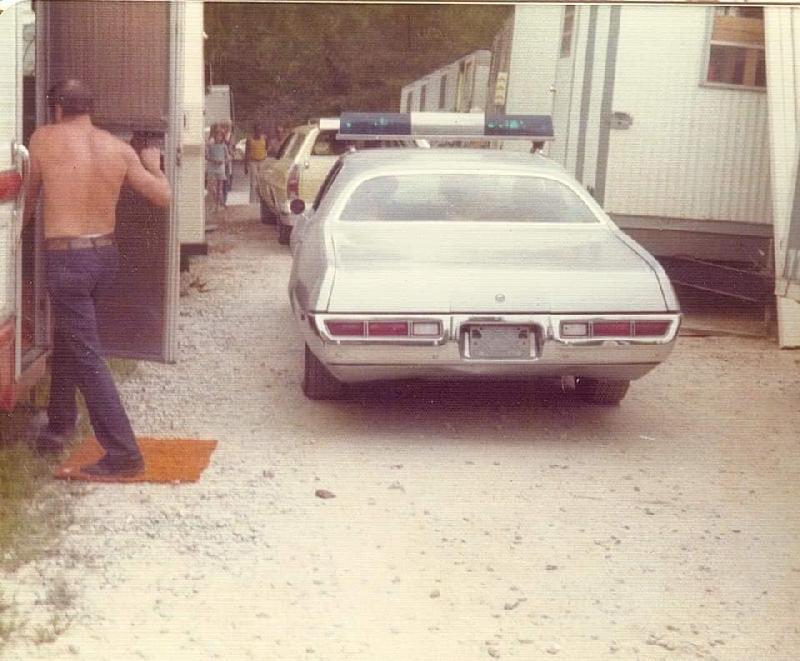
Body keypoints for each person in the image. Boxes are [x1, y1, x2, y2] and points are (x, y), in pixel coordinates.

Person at [22, 79, 171, 477]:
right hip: (105, 257)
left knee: (86, 353)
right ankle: (60, 424)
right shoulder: (118, 149)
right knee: (73, 339)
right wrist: (154, 166)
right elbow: (162, 196)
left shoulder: (42, 140)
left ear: (56, 109)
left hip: (67, 260)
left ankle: (124, 455)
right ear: (90, 109)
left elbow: (27, 203)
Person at [206, 125, 229, 211]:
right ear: (214, 136)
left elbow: (227, 157)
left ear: (222, 137)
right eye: (217, 136)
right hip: (212, 168)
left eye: (220, 136)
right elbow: (207, 156)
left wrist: (223, 161)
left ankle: (218, 205)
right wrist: (214, 160)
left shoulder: (224, 146)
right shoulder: (211, 146)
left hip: (221, 168)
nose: (218, 137)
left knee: (220, 187)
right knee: (212, 187)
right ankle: (216, 203)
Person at [244, 123, 268, 204]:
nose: (259, 132)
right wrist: (245, 166)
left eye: (260, 130)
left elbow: (267, 149)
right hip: (253, 162)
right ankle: (252, 202)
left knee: (261, 182)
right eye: (257, 130)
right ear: (254, 131)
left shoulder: (264, 138)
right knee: (253, 182)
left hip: (262, 161)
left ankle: (260, 201)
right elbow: (246, 152)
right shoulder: (250, 139)